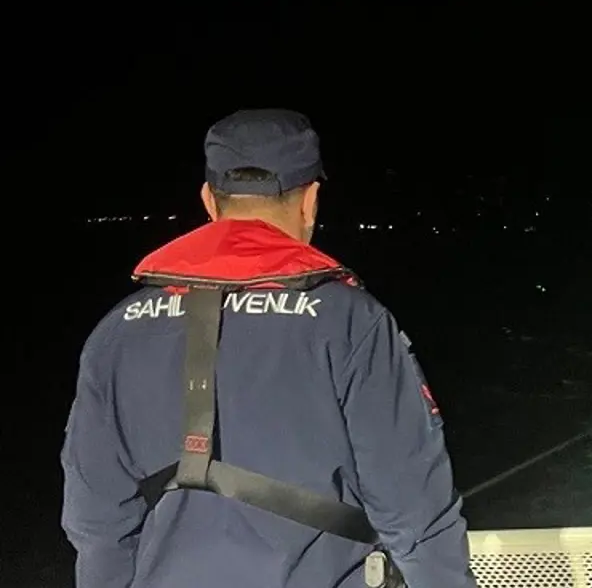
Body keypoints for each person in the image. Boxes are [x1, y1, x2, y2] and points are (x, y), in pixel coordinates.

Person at [61, 109, 478, 588]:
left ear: (208, 201)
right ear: (311, 202)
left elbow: (96, 523)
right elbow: (416, 513)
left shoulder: (116, 332)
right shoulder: (350, 321)